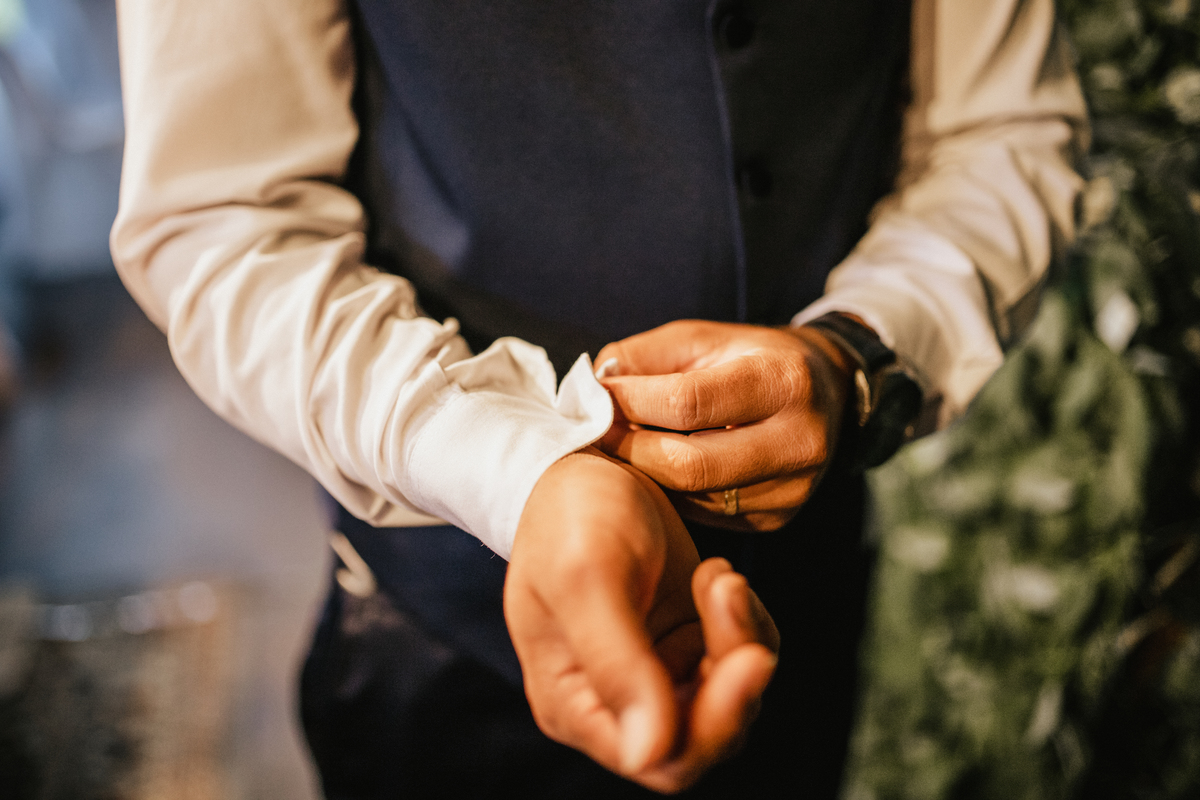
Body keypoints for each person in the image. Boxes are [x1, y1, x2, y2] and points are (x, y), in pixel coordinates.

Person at [110, 0, 1087, 795]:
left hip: (802, 593)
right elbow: (226, 219)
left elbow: (1003, 131)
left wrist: (855, 355)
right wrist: (520, 466)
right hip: (449, 637)